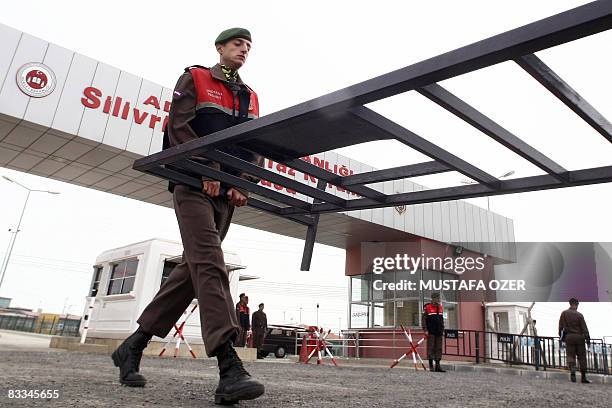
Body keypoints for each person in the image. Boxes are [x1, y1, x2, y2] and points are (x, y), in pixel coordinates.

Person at [110, 27, 265, 405]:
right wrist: (207, 169)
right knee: (211, 262)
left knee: (193, 269)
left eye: (248, 46)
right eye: (236, 44)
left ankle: (133, 345)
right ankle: (228, 365)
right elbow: (177, 127)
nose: (243, 49)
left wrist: (243, 182)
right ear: (220, 48)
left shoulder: (250, 95)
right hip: (193, 183)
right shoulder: (194, 77)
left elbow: (253, 145)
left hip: (227, 193)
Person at [559, 298, 591, 383]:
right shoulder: (580, 315)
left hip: (569, 337)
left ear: (570, 304)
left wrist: (562, 338)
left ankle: (572, 370)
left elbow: (560, 327)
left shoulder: (564, 313)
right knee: (582, 357)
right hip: (580, 338)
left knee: (570, 355)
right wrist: (588, 340)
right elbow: (584, 328)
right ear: (576, 305)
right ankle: (583, 377)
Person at [422, 292, 445, 372]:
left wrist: (443, 330)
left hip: (439, 331)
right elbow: (424, 319)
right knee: (431, 348)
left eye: (438, 298)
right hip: (431, 331)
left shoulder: (441, 307)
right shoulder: (427, 307)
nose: (437, 299)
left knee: (438, 348)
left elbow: (442, 320)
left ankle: (438, 366)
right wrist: (425, 330)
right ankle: (431, 366)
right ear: (432, 298)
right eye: (436, 298)